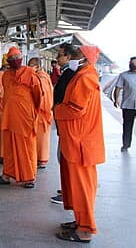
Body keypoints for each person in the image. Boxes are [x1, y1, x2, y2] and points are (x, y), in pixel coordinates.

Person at [54, 45, 105, 243]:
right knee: (76, 185)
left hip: (80, 141)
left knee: (82, 187)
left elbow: (76, 109)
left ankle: (85, 230)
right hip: (75, 137)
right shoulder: (83, 74)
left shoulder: (85, 77)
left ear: (82, 58)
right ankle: (79, 220)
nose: (69, 57)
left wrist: (57, 110)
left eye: (73, 54)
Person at [0, 47, 42, 189]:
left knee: (26, 146)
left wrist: (32, 112)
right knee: (9, 146)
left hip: (25, 117)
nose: (14, 61)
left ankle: (29, 176)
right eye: (11, 59)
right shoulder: (5, 75)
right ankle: (7, 174)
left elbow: (38, 96)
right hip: (9, 116)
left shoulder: (30, 73)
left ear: (21, 58)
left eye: (16, 58)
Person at [50, 43, 77, 205]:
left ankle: (69, 192)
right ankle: (66, 188)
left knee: (65, 157)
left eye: (59, 55)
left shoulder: (72, 74)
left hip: (68, 123)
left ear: (68, 57)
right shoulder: (68, 73)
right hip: (63, 122)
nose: (57, 58)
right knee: (62, 156)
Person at [28, 57, 53, 169]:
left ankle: (40, 159)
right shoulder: (43, 76)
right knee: (40, 137)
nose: (29, 68)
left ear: (37, 66)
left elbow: (42, 95)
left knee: (40, 138)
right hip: (42, 112)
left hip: (41, 112)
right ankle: (40, 158)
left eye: (31, 65)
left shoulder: (41, 78)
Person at [114, 56, 136, 152]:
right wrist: (116, 99)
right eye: (132, 63)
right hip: (128, 105)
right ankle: (126, 145)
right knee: (127, 126)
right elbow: (118, 88)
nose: (133, 65)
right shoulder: (123, 75)